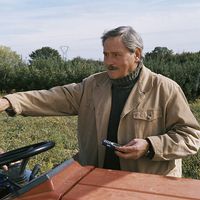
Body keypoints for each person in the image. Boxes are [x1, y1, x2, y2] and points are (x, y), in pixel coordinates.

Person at [0, 26, 199, 177]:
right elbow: (53, 96)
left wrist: (149, 145)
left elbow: (191, 136)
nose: (108, 62)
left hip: (146, 185)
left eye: (116, 55)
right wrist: (10, 100)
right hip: (94, 177)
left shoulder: (165, 88)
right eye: (105, 54)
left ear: (136, 54)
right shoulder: (93, 85)